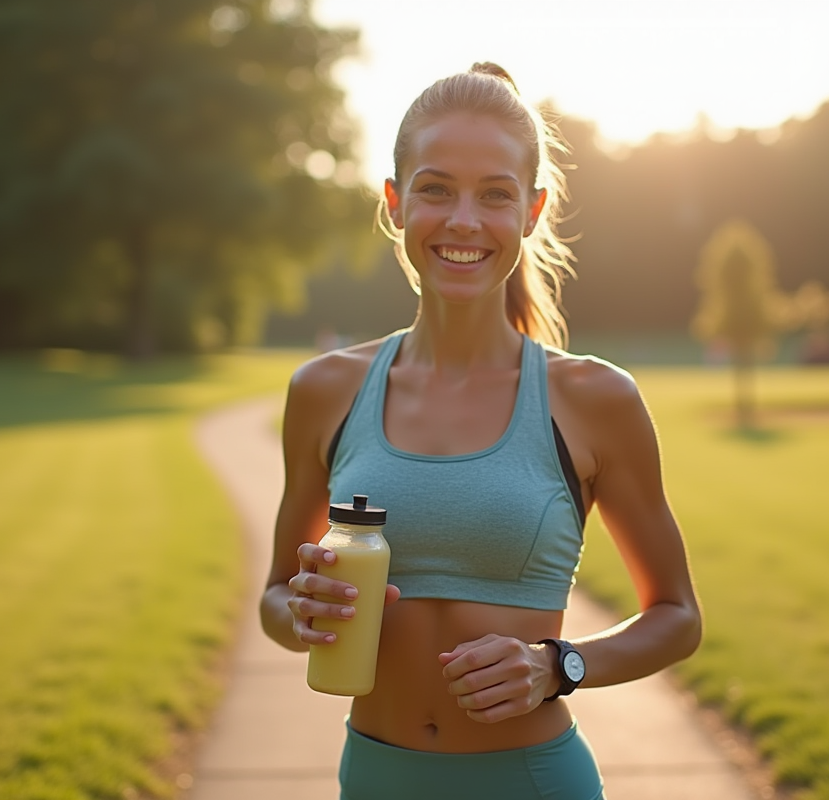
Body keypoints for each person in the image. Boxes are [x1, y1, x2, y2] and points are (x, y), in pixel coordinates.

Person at [259, 62, 702, 800]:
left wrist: (559, 664)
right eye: (436, 189)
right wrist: (301, 612)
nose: (464, 219)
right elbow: (277, 597)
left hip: (531, 781)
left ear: (531, 211)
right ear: (396, 203)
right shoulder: (324, 391)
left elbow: (677, 616)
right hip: (375, 779)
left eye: (494, 195)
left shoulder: (594, 399)